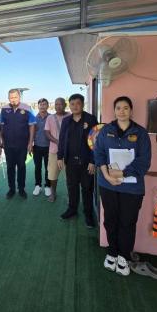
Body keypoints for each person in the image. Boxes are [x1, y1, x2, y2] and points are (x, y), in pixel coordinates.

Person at [94, 96, 151, 276]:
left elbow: (144, 161)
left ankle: (123, 256)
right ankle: (112, 252)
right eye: (118, 108)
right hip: (108, 185)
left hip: (132, 189)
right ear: (114, 111)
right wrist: (106, 175)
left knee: (127, 222)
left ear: (131, 110)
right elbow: (99, 154)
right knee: (110, 220)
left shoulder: (141, 133)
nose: (122, 111)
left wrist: (123, 173)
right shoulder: (106, 131)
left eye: (126, 108)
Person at [57, 93, 98, 228]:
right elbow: (62, 139)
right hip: (70, 161)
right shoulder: (66, 121)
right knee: (72, 187)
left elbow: (96, 141)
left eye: (78, 103)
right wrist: (60, 157)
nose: (75, 106)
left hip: (87, 162)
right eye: (72, 104)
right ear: (69, 105)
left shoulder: (91, 119)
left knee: (87, 189)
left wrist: (93, 160)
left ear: (82, 104)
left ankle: (88, 214)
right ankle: (72, 209)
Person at [0, 89, 36, 199]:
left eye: (15, 97)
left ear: (19, 97)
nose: (13, 99)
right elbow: (1, 126)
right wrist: (1, 141)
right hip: (8, 145)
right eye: (11, 97)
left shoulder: (27, 108)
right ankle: (11, 189)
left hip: (22, 145)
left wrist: (30, 142)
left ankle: (21, 189)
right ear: (8, 98)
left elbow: (32, 126)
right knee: (10, 167)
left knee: (21, 167)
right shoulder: (4, 109)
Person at [44, 97, 70, 202]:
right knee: (52, 175)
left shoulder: (70, 116)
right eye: (56, 104)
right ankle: (53, 193)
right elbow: (47, 132)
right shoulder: (50, 118)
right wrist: (57, 141)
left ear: (65, 105)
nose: (58, 106)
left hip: (68, 152)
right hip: (54, 151)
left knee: (69, 176)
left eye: (60, 104)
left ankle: (70, 195)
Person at [32, 98, 50, 196]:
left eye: (44, 104)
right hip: (37, 147)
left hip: (49, 147)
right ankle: (38, 185)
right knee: (37, 167)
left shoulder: (51, 118)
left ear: (48, 106)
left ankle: (47, 186)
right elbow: (31, 133)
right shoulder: (34, 118)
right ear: (38, 106)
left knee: (48, 168)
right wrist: (30, 145)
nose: (42, 106)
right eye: (41, 104)